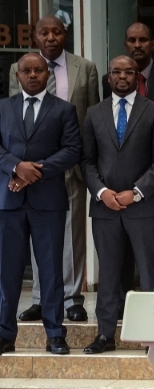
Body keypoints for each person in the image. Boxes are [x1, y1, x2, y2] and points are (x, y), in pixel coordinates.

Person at [11, 15, 99, 324]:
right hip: (30, 172)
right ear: (35, 36)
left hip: (69, 166)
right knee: (38, 236)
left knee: (70, 235)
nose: (51, 37)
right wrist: (21, 168)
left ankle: (73, 299)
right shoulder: (18, 68)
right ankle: (39, 298)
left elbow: (92, 121)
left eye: (57, 32)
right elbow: (15, 118)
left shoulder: (85, 68)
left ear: (65, 35)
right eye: (44, 32)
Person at [81, 56, 154, 354]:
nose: (122, 76)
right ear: (108, 78)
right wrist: (102, 191)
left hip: (142, 206)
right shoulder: (94, 113)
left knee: (148, 273)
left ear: (137, 77)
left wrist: (137, 192)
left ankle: (152, 336)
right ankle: (105, 334)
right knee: (107, 274)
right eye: (116, 72)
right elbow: (87, 160)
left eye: (128, 72)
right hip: (105, 207)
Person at [0, 53, 82, 355]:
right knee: (6, 271)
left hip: (48, 202)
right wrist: (15, 166)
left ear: (48, 74)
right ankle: (5, 333)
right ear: (17, 74)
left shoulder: (64, 110)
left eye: (38, 70)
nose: (33, 75)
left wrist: (35, 171)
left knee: (50, 270)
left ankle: (55, 334)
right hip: (8, 202)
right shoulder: (3, 108)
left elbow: (72, 150)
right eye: (27, 70)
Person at [103, 23, 154, 236]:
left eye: (143, 40)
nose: (137, 45)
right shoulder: (112, 81)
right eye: (132, 40)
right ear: (125, 44)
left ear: (152, 44)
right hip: (127, 180)